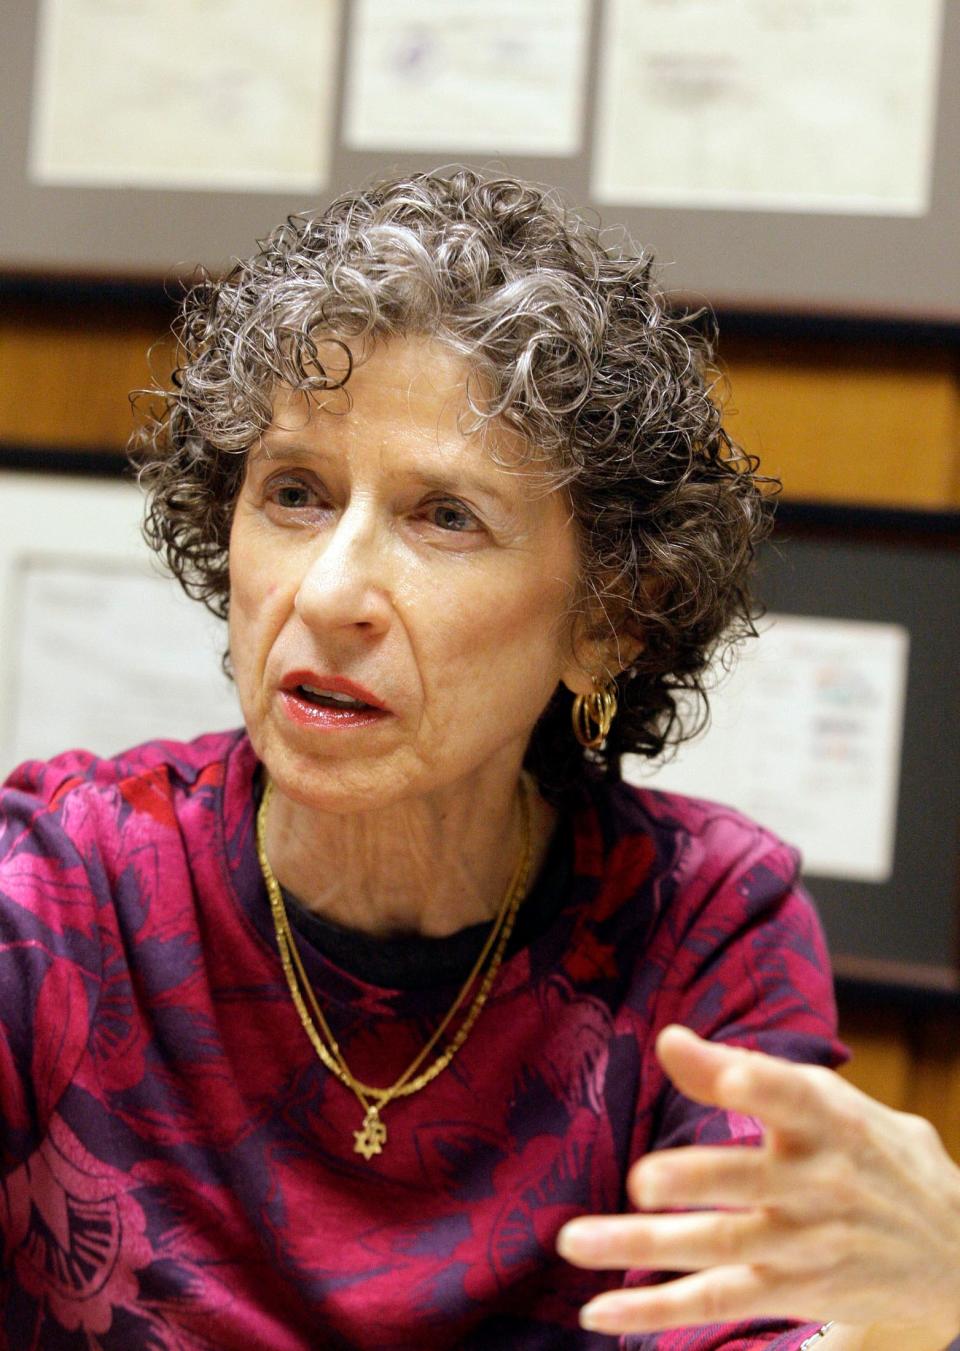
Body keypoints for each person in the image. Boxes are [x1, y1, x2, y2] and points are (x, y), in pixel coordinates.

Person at [1, 168, 958, 1351]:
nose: (332, 588)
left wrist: (921, 1317)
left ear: (609, 617)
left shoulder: (700, 925)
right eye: (294, 493)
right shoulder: (61, 891)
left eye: (444, 516)